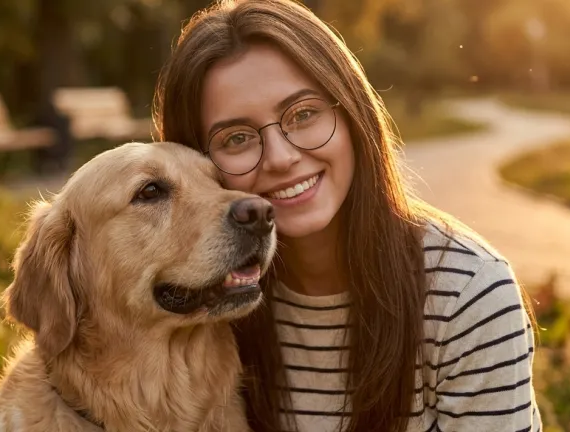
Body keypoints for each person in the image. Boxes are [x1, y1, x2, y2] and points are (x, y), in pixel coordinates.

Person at [152, 1, 542, 431]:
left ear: (353, 112)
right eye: (237, 138)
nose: (281, 158)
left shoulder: (469, 295)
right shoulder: (198, 304)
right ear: (196, 162)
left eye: (303, 114)